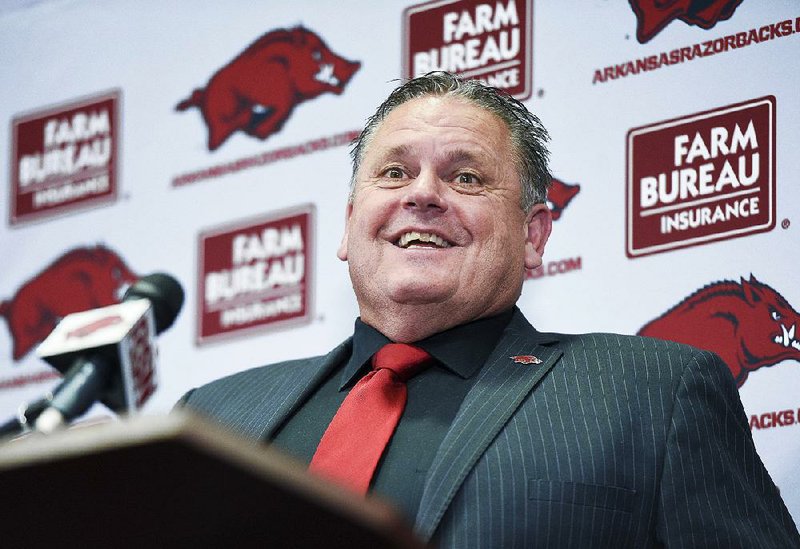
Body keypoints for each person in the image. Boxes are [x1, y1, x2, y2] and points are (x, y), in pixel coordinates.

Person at [180, 72, 800, 547]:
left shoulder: (654, 393)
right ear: (348, 228)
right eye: (394, 172)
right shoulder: (210, 418)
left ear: (533, 237)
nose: (422, 194)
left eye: (467, 178)